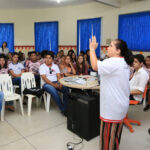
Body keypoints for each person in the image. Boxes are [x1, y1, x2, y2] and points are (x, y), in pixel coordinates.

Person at [90, 36, 134, 150]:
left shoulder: (114, 62)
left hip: (112, 107)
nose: (107, 48)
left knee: (107, 138)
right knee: (114, 136)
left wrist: (92, 49)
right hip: (120, 105)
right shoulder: (123, 62)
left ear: (118, 51)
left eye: (110, 46)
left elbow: (95, 66)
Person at [39, 51, 69, 115]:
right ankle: (63, 109)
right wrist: (54, 85)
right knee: (53, 90)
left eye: (49, 58)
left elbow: (58, 76)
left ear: (52, 59)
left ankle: (66, 107)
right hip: (46, 84)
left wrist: (60, 83)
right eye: (46, 58)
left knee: (66, 89)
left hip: (56, 82)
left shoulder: (55, 66)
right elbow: (44, 78)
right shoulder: (42, 67)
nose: (47, 59)